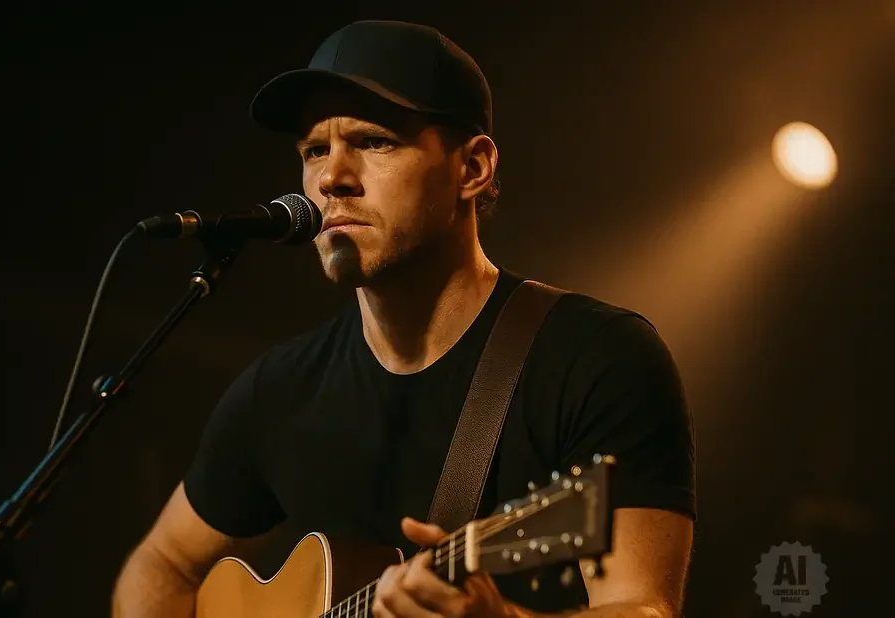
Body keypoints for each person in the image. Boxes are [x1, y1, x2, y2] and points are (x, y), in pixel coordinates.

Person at [111, 19, 696, 618]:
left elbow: (641, 607)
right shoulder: (279, 390)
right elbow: (162, 564)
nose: (331, 178)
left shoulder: (595, 358)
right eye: (314, 150)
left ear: (472, 169)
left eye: (374, 141)